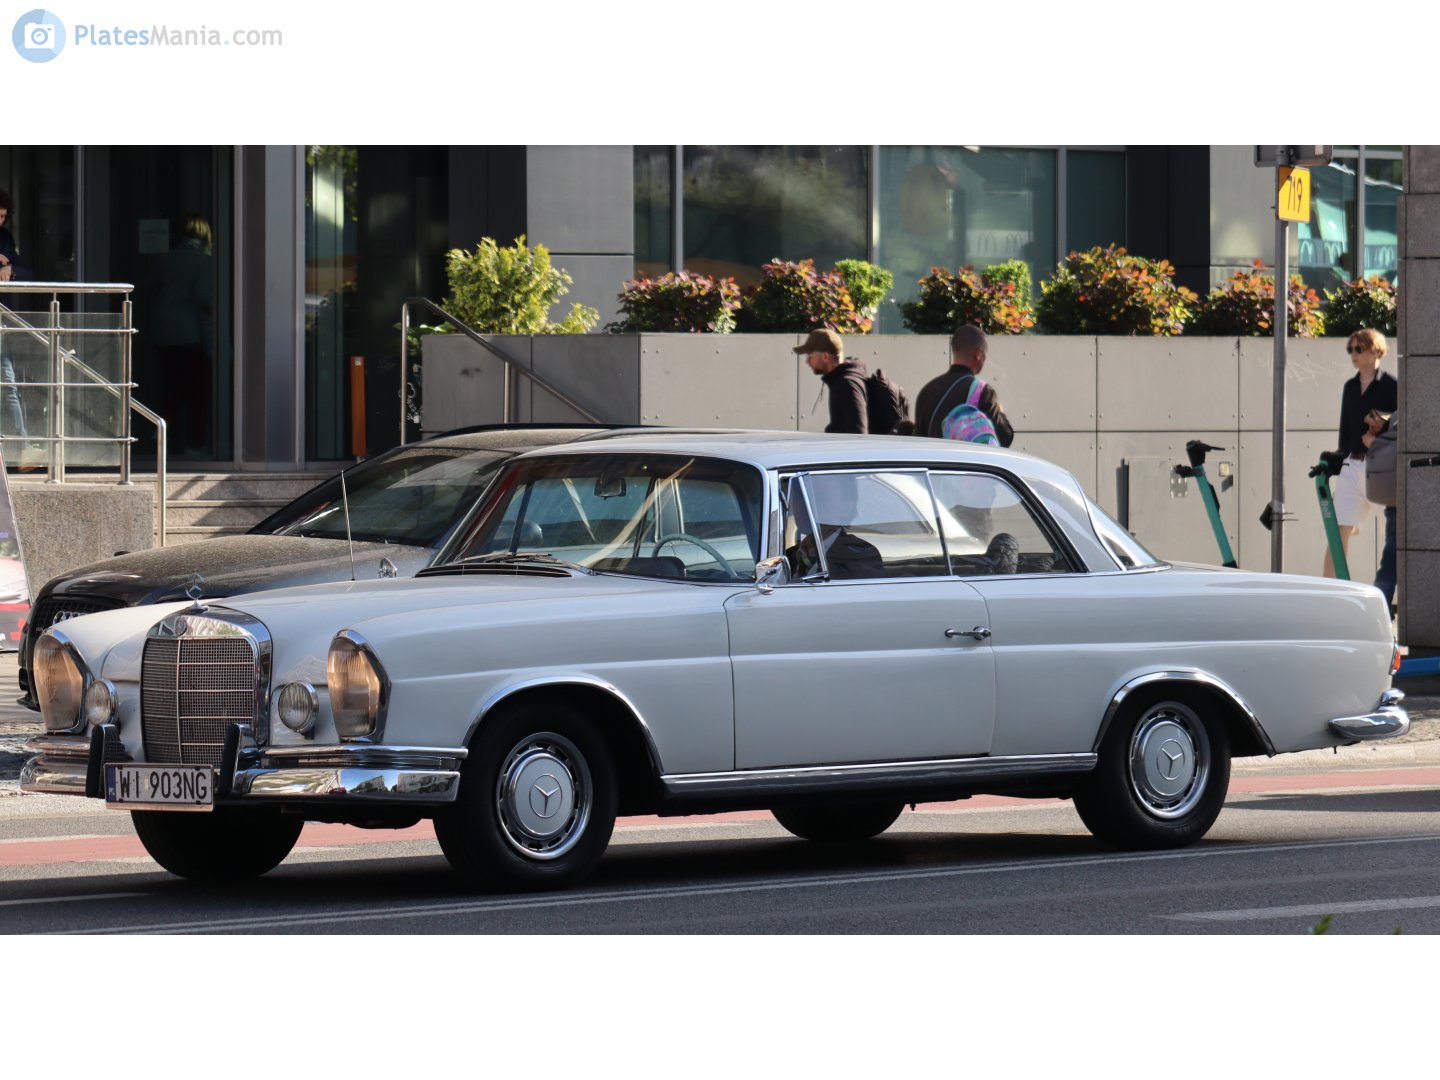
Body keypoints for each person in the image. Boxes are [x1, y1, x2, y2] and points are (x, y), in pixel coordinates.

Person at [1326, 328, 1397, 579]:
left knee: (1394, 533)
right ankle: (1328, 594)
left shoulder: (1392, 386)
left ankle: (1397, 595)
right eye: (1350, 349)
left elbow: (1401, 427)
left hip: (1380, 468)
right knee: (1336, 532)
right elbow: (1345, 428)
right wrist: (1340, 465)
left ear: (1375, 350)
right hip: (1352, 465)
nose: (1353, 354)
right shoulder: (1349, 387)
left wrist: (1376, 440)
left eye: (1358, 349)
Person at [152, 214, 215, 456]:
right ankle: (195, 444)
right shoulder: (202, 261)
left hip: (162, 332)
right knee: (198, 390)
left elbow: (151, 287)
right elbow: (204, 296)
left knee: (175, 386)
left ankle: (160, 429)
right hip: (190, 334)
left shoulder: (165, 259)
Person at [913, 324, 1014, 445]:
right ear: (978, 354)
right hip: (964, 463)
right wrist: (1000, 411)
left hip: (932, 463)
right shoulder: (982, 391)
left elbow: (918, 439)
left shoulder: (927, 390)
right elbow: (1004, 438)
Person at [0, 188, 36, 450]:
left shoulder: (4, 238)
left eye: (2, 216)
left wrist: (10, 270)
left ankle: (23, 445)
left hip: (2, 319)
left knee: (8, 382)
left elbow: (28, 272)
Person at [794, 328, 868, 434]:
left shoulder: (847, 384)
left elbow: (859, 435)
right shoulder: (839, 381)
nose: (807, 361)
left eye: (809, 356)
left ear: (825, 356)